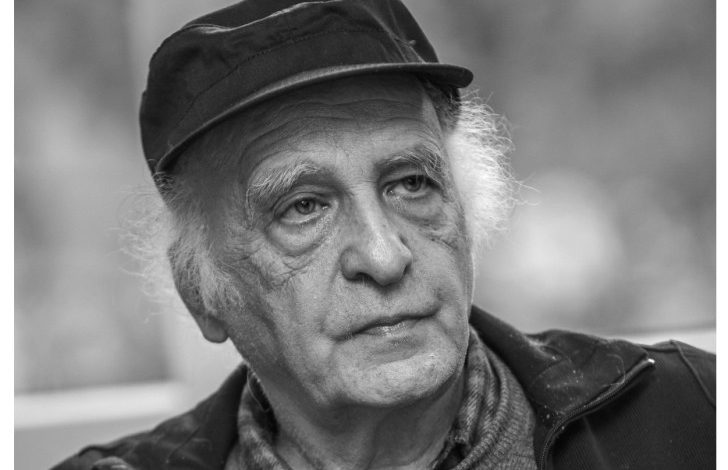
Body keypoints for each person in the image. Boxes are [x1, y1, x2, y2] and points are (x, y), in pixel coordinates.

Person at [54, 0, 715, 469]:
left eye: (411, 184)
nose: (384, 254)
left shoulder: (694, 413)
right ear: (203, 293)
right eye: (303, 207)